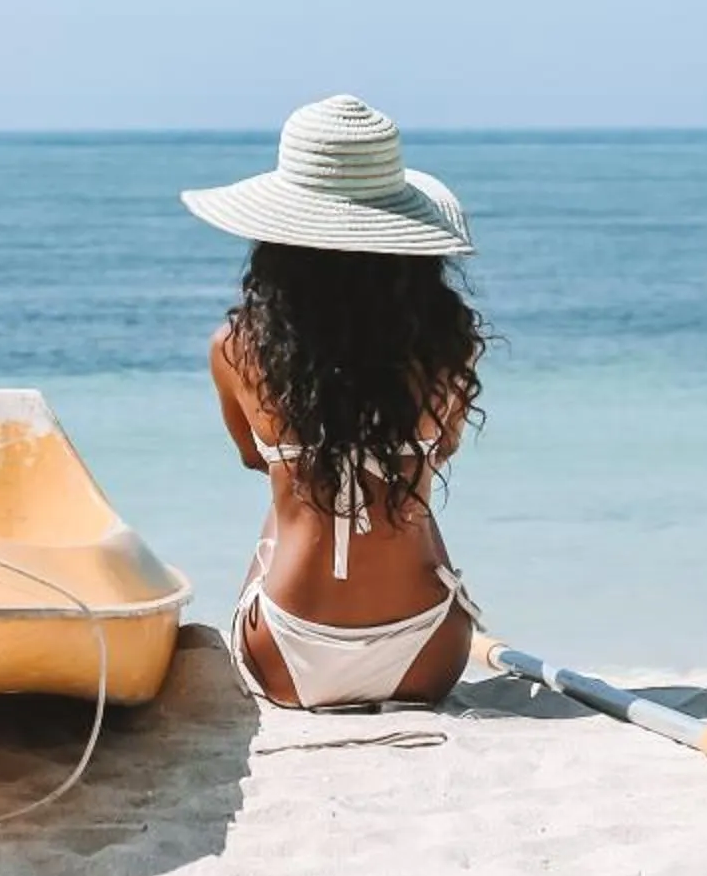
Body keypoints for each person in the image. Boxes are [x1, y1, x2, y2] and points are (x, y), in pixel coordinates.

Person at [181, 95, 489, 710]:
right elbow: (444, 448)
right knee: (409, 488)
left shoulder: (235, 347)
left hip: (287, 658)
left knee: (292, 488)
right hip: (427, 656)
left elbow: (254, 458)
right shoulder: (449, 348)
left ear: (277, 238)